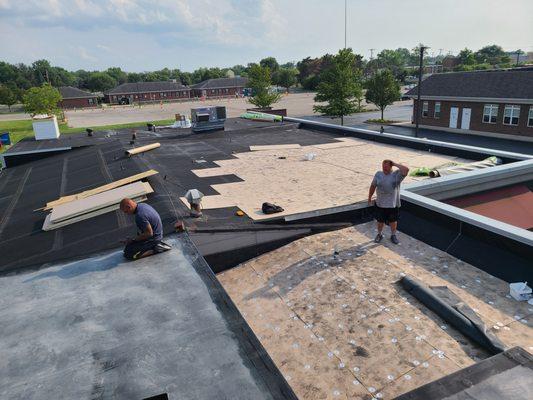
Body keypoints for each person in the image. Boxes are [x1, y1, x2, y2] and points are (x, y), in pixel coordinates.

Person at [367, 159, 410, 244]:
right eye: (383, 166)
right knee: (380, 221)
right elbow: (373, 186)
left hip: (392, 204)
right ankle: (379, 234)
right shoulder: (378, 174)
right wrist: (369, 197)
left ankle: (393, 235)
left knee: (393, 221)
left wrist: (394, 163)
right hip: (380, 203)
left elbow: (406, 169)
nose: (384, 168)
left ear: (391, 167)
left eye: (386, 166)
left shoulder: (397, 175)